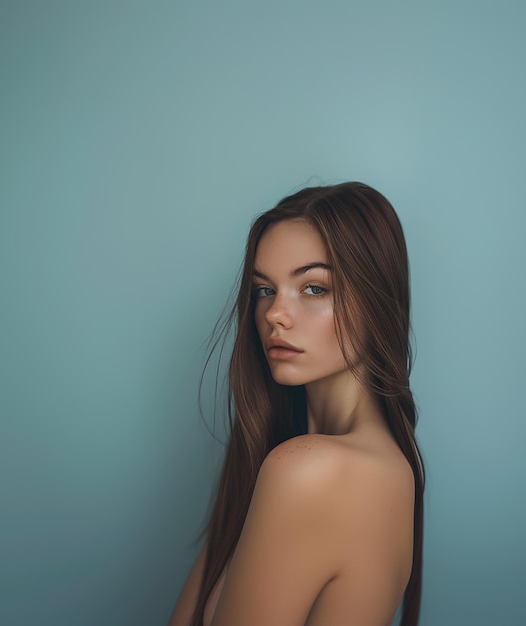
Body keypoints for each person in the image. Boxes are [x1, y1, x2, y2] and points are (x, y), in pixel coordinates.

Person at [168, 182, 425, 626]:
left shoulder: (306, 470)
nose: (274, 315)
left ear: (378, 297)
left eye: (314, 288)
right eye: (264, 290)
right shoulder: (385, 467)